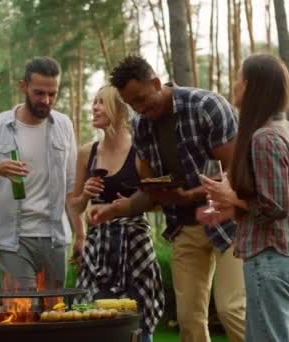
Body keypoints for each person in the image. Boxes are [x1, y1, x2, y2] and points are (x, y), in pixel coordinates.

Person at [89, 55, 246, 342]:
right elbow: (151, 191)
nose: (138, 108)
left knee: (232, 310)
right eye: (131, 103)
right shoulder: (141, 127)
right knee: (189, 321)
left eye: (141, 98)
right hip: (185, 227)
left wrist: (190, 194)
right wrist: (118, 209)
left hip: (229, 222)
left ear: (157, 83)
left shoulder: (205, 106)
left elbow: (238, 175)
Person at [197, 53, 289, 342]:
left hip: (269, 257)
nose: (234, 86)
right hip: (274, 256)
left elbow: (277, 206)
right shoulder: (282, 130)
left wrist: (231, 198)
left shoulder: (265, 137)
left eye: (238, 80)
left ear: (250, 87)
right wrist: (232, 202)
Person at [0, 56, 82, 292]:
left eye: (52, 94)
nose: (46, 100)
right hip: (12, 241)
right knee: (21, 315)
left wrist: (81, 235)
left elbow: (71, 187)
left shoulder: (64, 125)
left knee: (52, 317)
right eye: (39, 93)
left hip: (56, 238)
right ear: (23, 86)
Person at [67, 85, 164, 342]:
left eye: (102, 102)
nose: (94, 107)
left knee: (137, 319)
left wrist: (128, 205)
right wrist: (86, 195)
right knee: (92, 319)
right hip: (97, 247)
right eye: (94, 101)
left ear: (120, 110)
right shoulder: (87, 153)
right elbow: (73, 206)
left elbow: (156, 199)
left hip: (134, 244)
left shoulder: (139, 151)